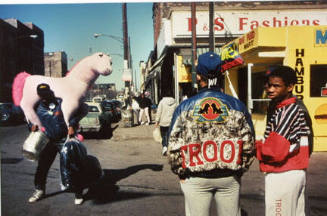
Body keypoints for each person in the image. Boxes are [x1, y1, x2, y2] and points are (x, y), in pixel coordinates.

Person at [167, 52, 255, 216]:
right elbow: (249, 144)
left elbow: (173, 144)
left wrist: (180, 171)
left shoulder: (184, 107)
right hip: (229, 176)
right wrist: (239, 169)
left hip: (196, 177)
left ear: (199, 76)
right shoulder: (237, 105)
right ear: (221, 74)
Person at [256, 65, 313, 216]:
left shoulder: (286, 111)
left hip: (283, 173)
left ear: (290, 87)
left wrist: (257, 146)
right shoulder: (287, 107)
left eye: (276, 86)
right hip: (295, 170)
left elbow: (274, 152)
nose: (270, 89)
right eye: (268, 85)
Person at [28, 83, 88, 205]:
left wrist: (72, 124)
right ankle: (39, 190)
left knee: (72, 165)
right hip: (47, 140)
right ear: (39, 95)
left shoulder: (61, 103)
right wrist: (31, 126)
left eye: (46, 94)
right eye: (41, 95)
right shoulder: (37, 106)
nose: (44, 97)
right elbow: (30, 118)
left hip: (63, 139)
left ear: (50, 92)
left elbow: (76, 112)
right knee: (42, 167)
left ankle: (78, 192)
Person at [155, 90, 177, 156]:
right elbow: (177, 111)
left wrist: (157, 121)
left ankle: (164, 147)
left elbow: (159, 112)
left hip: (163, 122)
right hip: (172, 122)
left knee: (164, 135)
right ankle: (170, 147)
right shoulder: (175, 102)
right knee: (170, 135)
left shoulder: (162, 102)